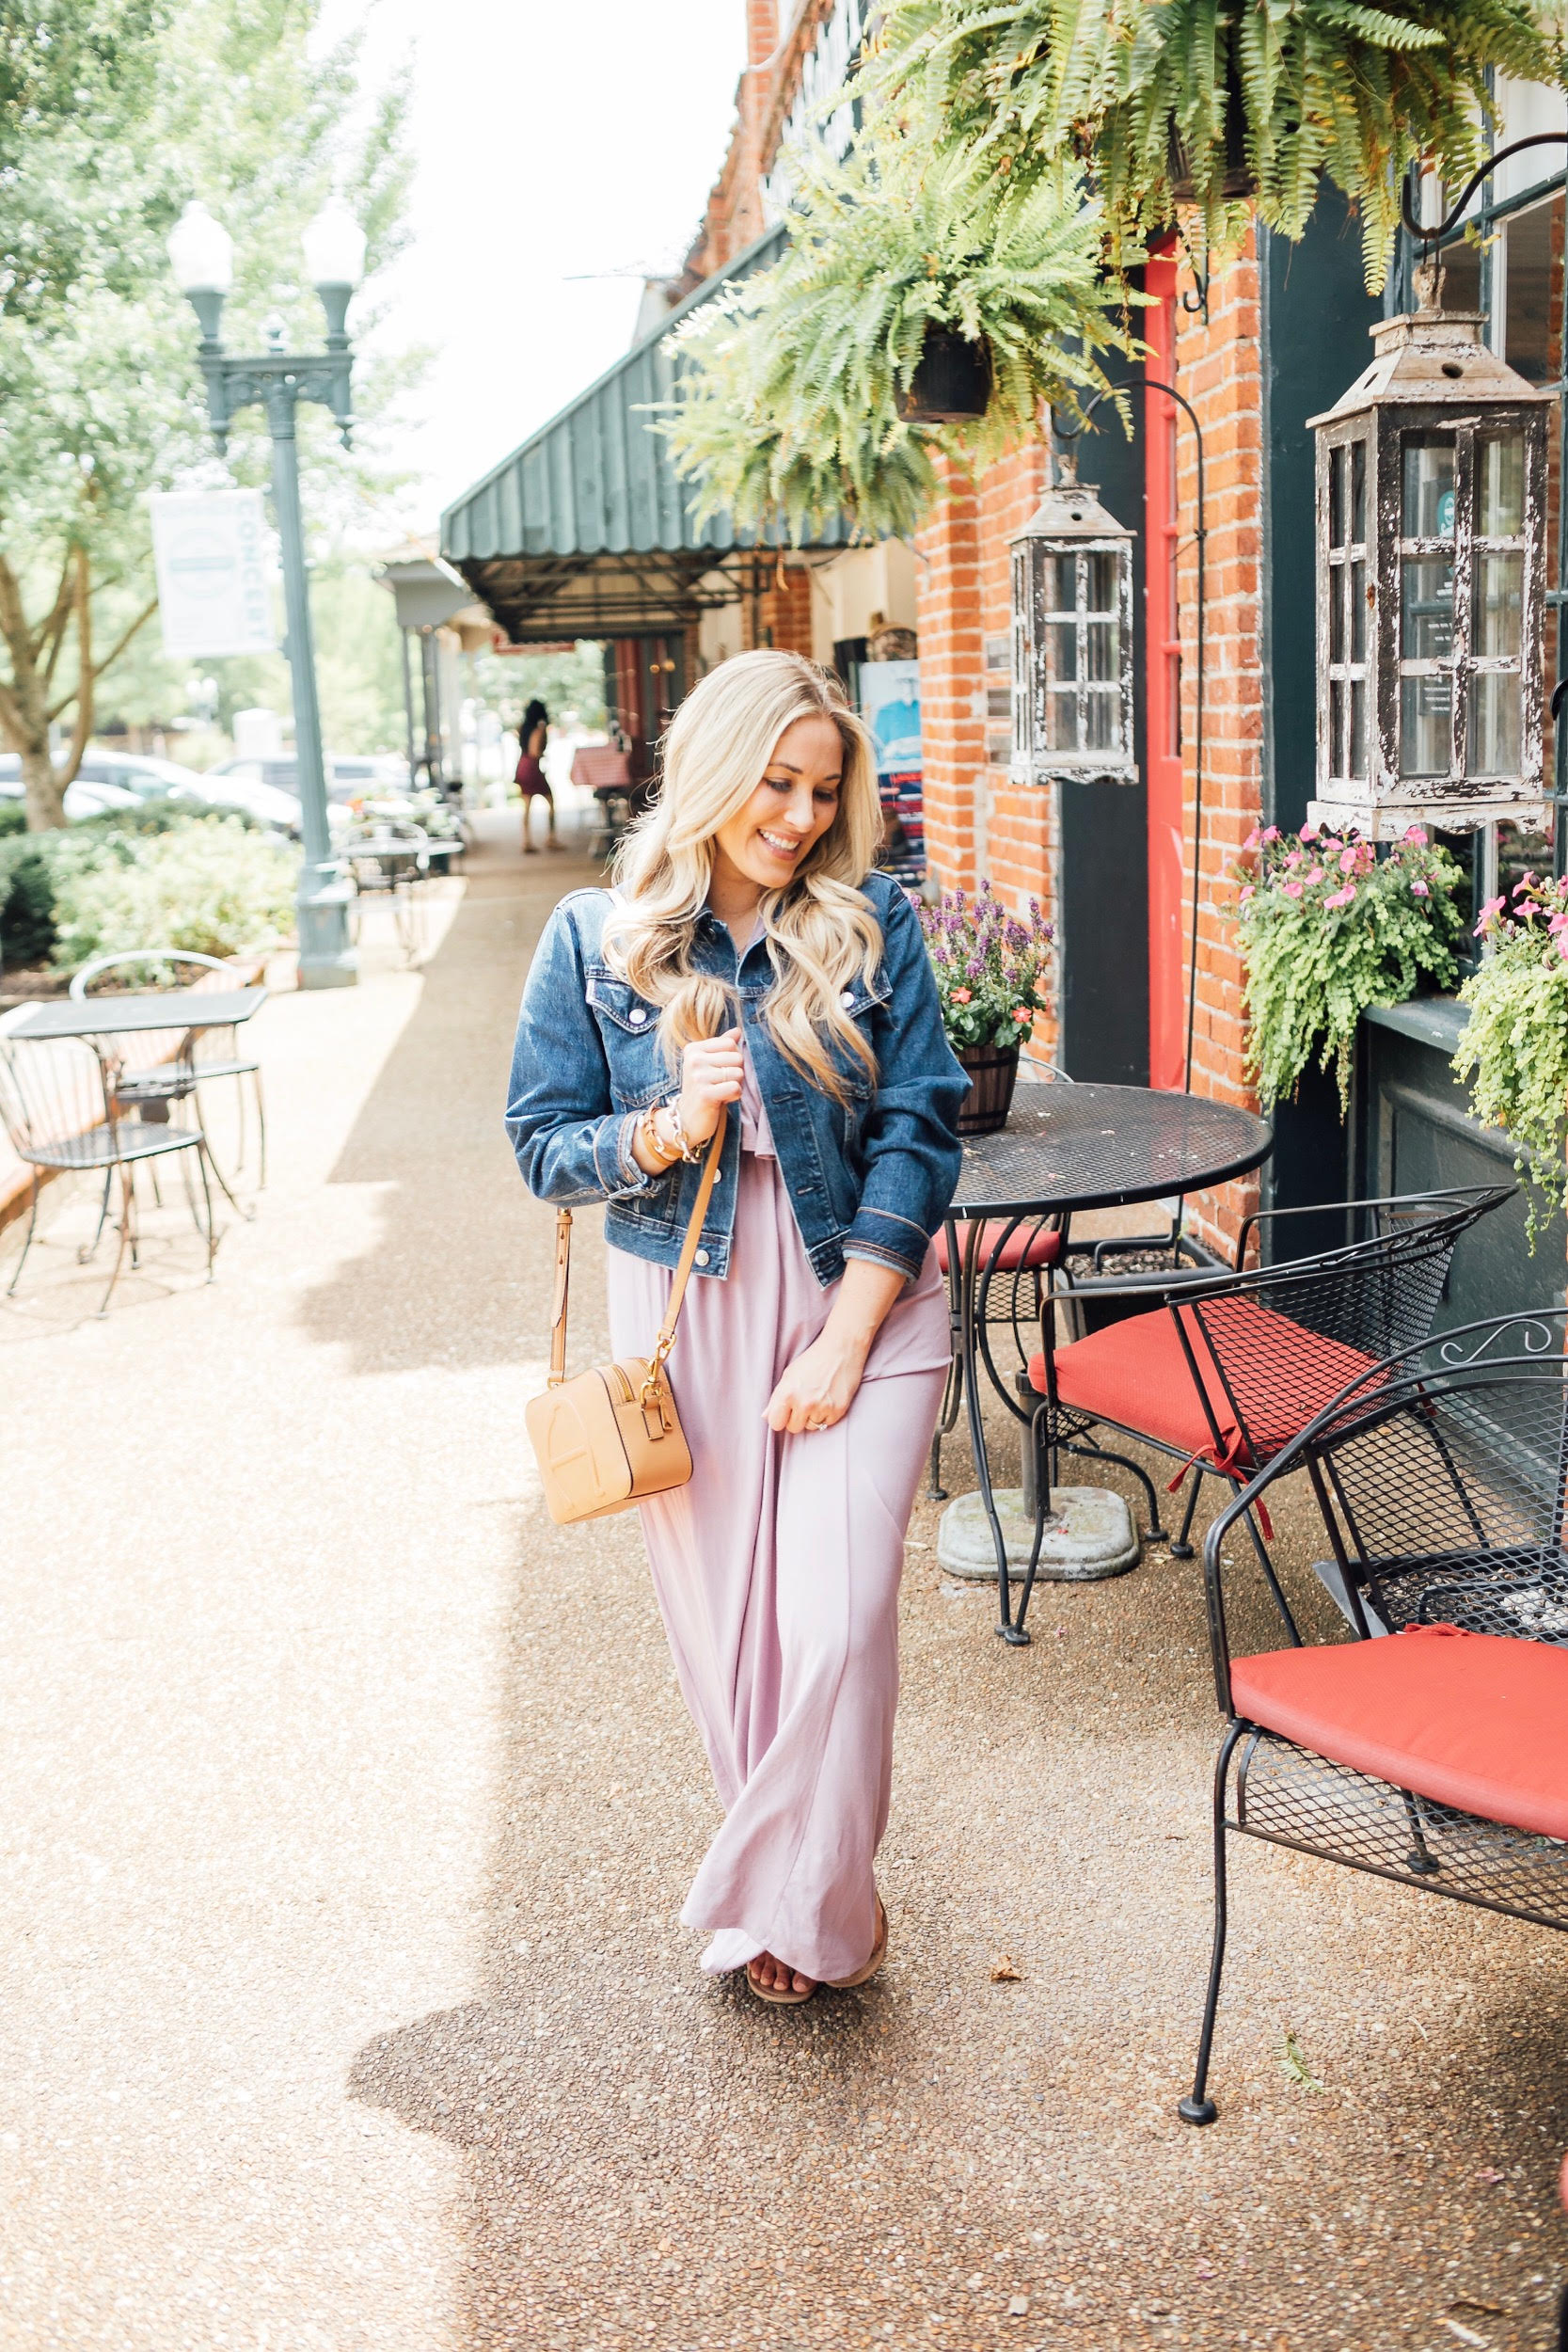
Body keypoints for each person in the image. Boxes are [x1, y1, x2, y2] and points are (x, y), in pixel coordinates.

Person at [506, 650, 965, 2005]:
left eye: (823, 791)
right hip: (687, 1301)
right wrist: (664, 1124)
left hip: (860, 1294)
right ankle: (808, 1913)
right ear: (714, 770)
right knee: (733, 1641)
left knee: (835, 1624)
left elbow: (917, 1129)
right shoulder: (599, 938)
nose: (800, 816)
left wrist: (844, 1334)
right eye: (776, 782)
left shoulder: (871, 919)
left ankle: (753, 1890)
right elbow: (541, 1150)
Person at [515, 698, 562, 852]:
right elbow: (535, 751)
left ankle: (526, 841)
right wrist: (543, 753)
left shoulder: (522, 728)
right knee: (551, 802)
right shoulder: (539, 730)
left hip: (522, 765)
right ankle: (551, 838)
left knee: (527, 806)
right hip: (532, 767)